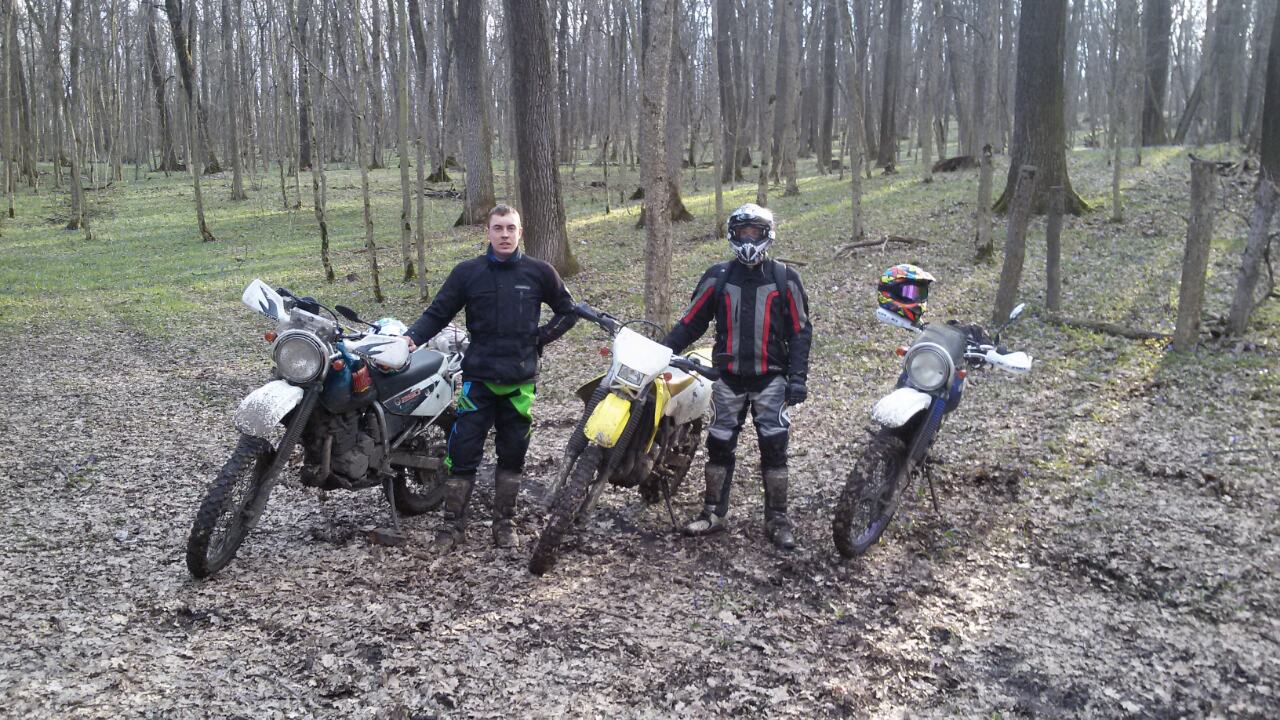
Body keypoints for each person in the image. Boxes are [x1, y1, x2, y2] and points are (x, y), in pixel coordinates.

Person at [401, 204, 577, 553]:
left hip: (520, 383)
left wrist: (540, 338)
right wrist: (410, 339)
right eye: (498, 228)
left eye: (511, 228)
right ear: (488, 233)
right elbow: (438, 313)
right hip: (477, 381)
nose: (504, 234)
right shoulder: (468, 273)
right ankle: (452, 527)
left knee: (513, 454)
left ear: (520, 232)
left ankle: (504, 524)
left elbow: (568, 311)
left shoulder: (540, 272)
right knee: (462, 452)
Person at [662, 203, 813, 551]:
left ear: (767, 235)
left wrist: (798, 378)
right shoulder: (718, 277)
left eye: (754, 233)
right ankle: (713, 513)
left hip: (771, 379)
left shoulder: (785, 278)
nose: (748, 239)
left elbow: (800, 331)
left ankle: (777, 520)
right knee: (718, 446)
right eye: (742, 232)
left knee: (774, 448)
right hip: (727, 378)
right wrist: (663, 350)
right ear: (732, 235)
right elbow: (692, 323)